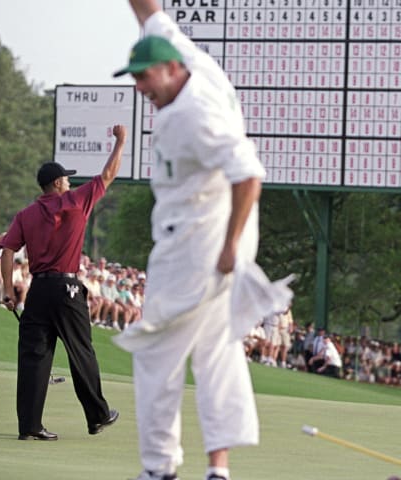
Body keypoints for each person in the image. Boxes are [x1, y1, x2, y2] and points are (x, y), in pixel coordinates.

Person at [111, 2, 291, 479]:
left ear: (172, 69)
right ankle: (219, 469)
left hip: (195, 241)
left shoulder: (195, 113)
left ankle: (158, 469)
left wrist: (228, 247)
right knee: (217, 349)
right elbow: (150, 11)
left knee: (156, 354)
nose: (139, 87)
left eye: (145, 77)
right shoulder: (187, 57)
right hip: (217, 232)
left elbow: (249, 173)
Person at [0, 124, 126, 441]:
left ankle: (29, 425)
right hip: (67, 289)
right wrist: (121, 142)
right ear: (57, 183)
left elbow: (8, 250)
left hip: (38, 289)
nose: (70, 182)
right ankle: (97, 416)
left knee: (33, 357)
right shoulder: (75, 201)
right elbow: (108, 174)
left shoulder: (25, 214)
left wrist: (7, 289)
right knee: (81, 351)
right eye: (66, 178)